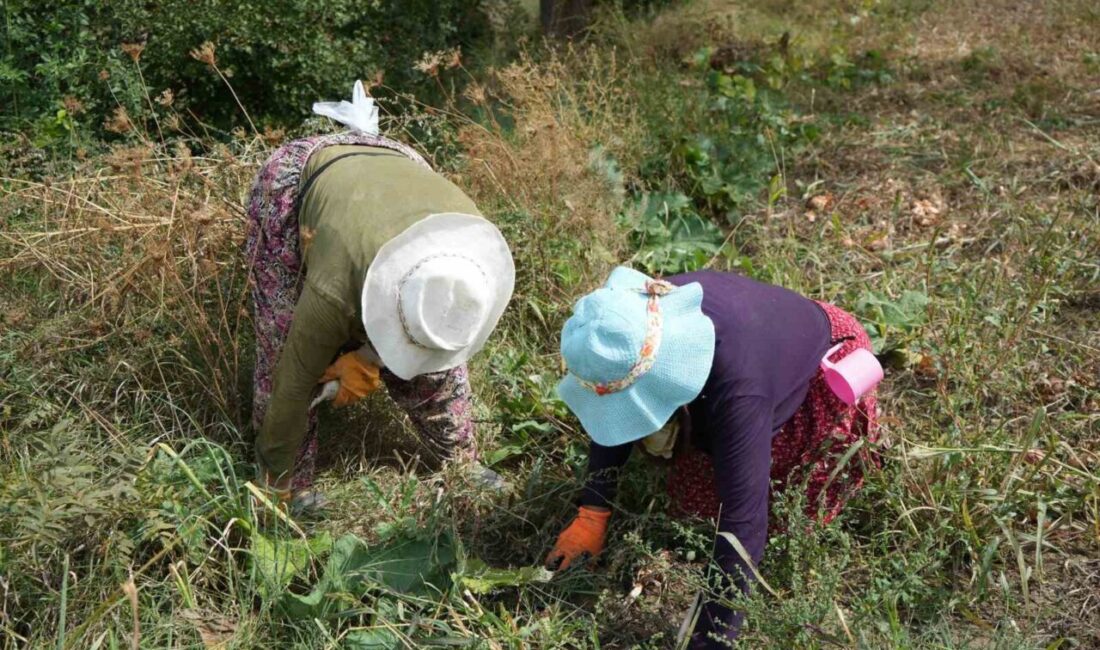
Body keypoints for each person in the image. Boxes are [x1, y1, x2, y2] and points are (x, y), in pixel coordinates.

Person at [545, 266, 881, 647]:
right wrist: (592, 514)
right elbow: (615, 408)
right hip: (756, 342)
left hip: (823, 365)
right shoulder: (634, 322)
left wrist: (712, 640)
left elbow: (743, 524)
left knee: (758, 505)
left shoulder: (740, 392)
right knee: (690, 484)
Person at [246, 82, 514, 510]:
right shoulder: (336, 291)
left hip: (398, 162)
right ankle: (288, 485)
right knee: (284, 341)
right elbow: (292, 381)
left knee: (436, 347)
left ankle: (462, 462)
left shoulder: (469, 260)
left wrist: (370, 358)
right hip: (301, 180)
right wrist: (274, 484)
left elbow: (433, 330)